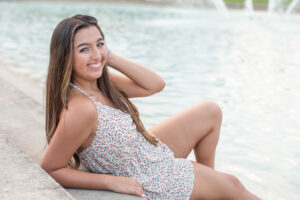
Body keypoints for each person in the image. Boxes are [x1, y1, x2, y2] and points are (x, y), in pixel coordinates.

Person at [40, 14, 260, 200]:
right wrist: (111, 183)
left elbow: (155, 85)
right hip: (145, 174)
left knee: (209, 111)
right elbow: (51, 168)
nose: (96, 55)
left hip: (142, 152)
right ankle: (213, 188)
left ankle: (207, 189)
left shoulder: (100, 83)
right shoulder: (81, 108)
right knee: (234, 186)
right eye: (84, 49)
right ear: (66, 56)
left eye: (99, 43)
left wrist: (109, 57)